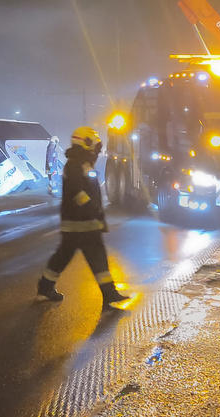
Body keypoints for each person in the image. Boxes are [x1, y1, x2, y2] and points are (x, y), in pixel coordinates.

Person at [36, 126, 129, 309]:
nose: (97, 148)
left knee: (65, 257)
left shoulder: (82, 163)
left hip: (83, 223)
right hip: (80, 223)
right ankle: (108, 293)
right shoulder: (74, 165)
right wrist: (92, 210)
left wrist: (96, 214)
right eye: (94, 144)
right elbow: (77, 192)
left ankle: (45, 288)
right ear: (85, 142)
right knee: (94, 258)